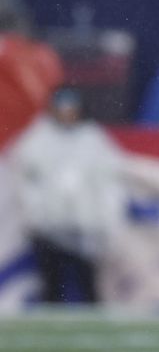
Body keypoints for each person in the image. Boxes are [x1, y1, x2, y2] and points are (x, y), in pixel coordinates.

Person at [13, 88, 124, 303]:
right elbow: (26, 183)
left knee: (89, 287)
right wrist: (36, 216)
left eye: (71, 109)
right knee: (51, 286)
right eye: (62, 109)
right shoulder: (37, 139)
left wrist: (106, 220)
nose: (66, 115)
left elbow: (108, 183)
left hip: (84, 227)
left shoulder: (94, 140)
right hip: (49, 227)